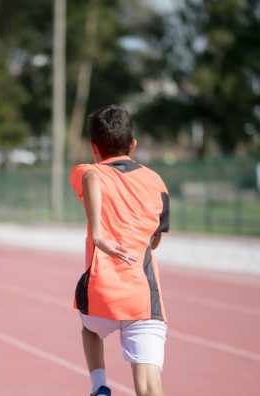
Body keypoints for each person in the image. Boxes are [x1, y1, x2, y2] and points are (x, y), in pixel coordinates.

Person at [69, 105, 170, 396]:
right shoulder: (157, 182)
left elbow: (89, 179)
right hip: (143, 296)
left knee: (90, 330)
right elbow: (155, 240)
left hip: (102, 295)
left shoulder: (87, 173)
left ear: (93, 148)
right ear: (133, 144)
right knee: (151, 387)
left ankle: (99, 384)